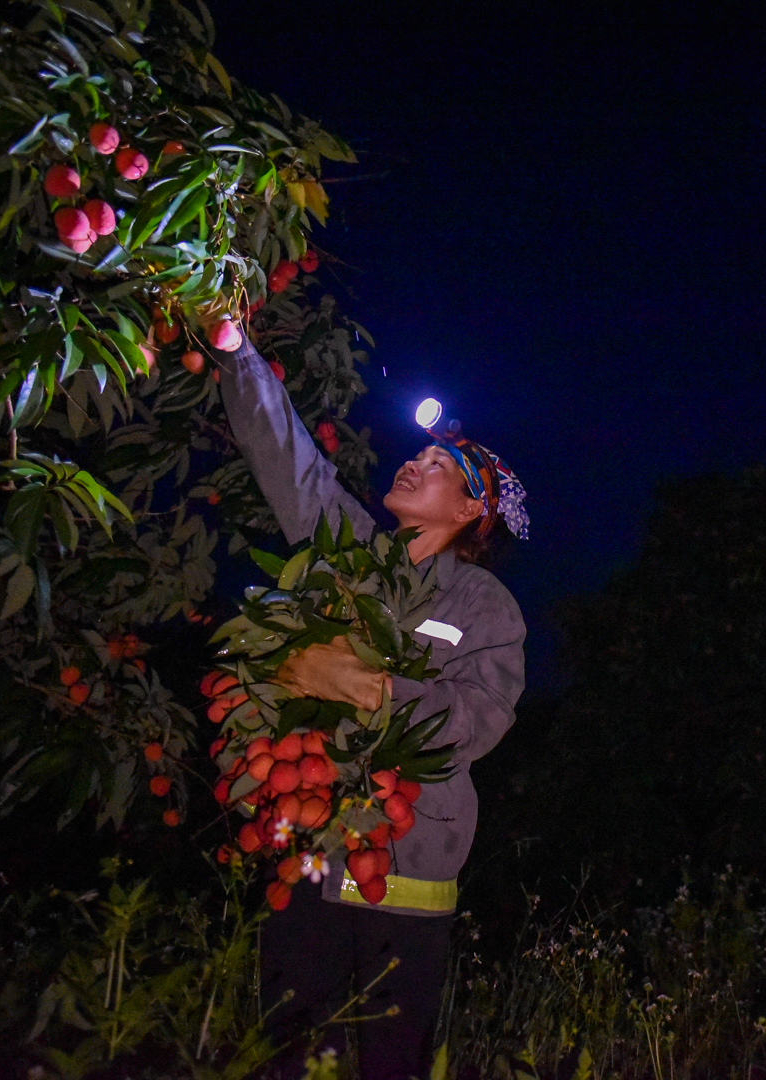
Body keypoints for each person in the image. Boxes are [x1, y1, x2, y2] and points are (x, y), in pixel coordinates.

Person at [219, 336, 528, 1079]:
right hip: (312, 855)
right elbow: (288, 459)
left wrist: (361, 685)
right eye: (418, 457)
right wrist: (234, 350)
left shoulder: (486, 606)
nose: (415, 463)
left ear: (472, 509)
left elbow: (479, 716)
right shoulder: (346, 552)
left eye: (441, 469)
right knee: (290, 1050)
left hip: (407, 872)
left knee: (393, 1060)